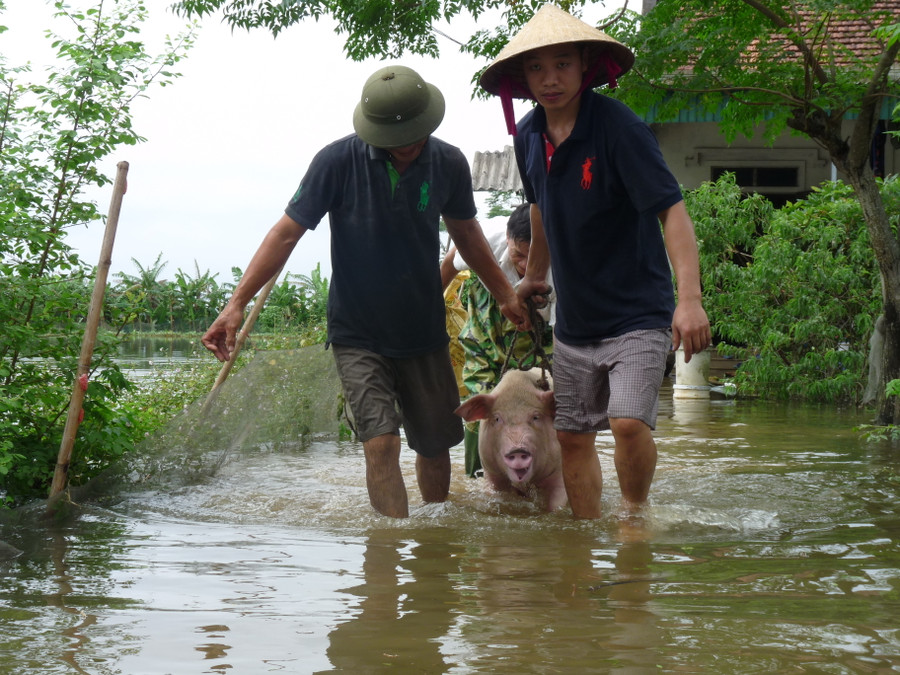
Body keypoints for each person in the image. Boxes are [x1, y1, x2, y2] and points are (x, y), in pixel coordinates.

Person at [202, 65, 531, 519]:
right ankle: (389, 550)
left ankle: (433, 545)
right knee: (381, 442)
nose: (407, 145)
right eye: (395, 139)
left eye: (416, 135)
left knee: (435, 445)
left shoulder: (448, 162)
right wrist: (235, 305)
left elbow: (468, 235)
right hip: (358, 332)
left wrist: (505, 294)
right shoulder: (337, 162)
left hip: (422, 329)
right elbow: (284, 234)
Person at [479, 5, 712, 519]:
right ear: (523, 78)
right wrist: (534, 276)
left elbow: (671, 211)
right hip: (575, 319)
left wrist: (689, 300)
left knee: (628, 423)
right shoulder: (529, 138)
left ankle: (634, 517)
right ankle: (583, 534)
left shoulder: (619, 128)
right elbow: (539, 207)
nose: (550, 79)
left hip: (637, 309)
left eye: (562, 64)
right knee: (572, 434)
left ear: (586, 65)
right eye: (537, 69)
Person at [440, 203, 555, 477]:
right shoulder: (486, 239)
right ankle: (477, 476)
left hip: (542, 332)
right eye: (518, 254)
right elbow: (448, 265)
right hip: (487, 319)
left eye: (532, 256)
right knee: (480, 393)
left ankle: (553, 475)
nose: (525, 265)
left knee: (550, 400)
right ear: (507, 238)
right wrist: (427, 310)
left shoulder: (563, 258)